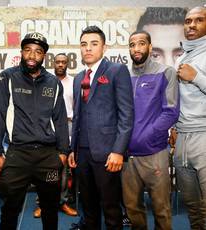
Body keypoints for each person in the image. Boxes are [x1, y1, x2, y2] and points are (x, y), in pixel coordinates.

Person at [0, 32, 70, 230]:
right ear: (21, 52)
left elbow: (60, 119)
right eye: (28, 50)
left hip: (47, 157)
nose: (32, 55)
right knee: (10, 208)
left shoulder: (53, 82)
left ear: (44, 56)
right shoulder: (7, 77)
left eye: (38, 51)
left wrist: (62, 153)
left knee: (50, 208)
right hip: (17, 154)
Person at [68, 25, 134, 230]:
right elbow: (78, 115)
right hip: (83, 154)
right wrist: (73, 149)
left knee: (111, 210)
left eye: (94, 44)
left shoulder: (116, 71)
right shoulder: (79, 77)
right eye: (84, 44)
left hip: (107, 154)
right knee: (88, 209)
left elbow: (127, 114)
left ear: (104, 47)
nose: (88, 48)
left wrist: (118, 151)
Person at [122, 30, 180, 230]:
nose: (136, 48)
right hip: (127, 156)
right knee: (132, 208)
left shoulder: (166, 72)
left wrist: (147, 136)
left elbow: (171, 112)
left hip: (154, 153)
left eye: (140, 43)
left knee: (161, 209)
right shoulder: (122, 75)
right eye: (132, 44)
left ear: (149, 46)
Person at [174, 6, 206, 230]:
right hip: (183, 139)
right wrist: (174, 128)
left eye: (198, 20)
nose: (191, 25)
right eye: (188, 21)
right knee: (193, 209)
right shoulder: (183, 56)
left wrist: (197, 78)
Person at [33, 53, 77, 218]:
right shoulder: (46, 81)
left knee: (63, 167)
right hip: (48, 126)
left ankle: (62, 202)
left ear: (67, 64)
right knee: (43, 166)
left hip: (68, 125)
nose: (60, 65)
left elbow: (77, 106)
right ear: (53, 63)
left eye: (63, 62)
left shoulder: (74, 83)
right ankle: (42, 204)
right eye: (57, 62)